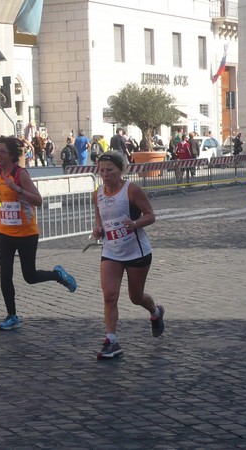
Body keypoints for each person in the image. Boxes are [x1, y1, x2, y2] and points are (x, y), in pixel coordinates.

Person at [0, 135, 77, 331]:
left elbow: (38, 201)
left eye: (1, 152)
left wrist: (18, 189)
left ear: (12, 154)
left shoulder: (20, 174)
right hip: (5, 231)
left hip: (26, 232)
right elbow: (0, 198)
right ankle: (12, 315)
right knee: (5, 276)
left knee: (30, 276)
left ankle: (57, 275)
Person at [92, 151, 164, 359]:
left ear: (121, 170)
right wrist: (98, 230)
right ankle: (111, 341)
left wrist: (134, 224)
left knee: (136, 297)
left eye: (110, 170)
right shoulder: (97, 193)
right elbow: (100, 219)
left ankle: (156, 312)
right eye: (102, 170)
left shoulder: (131, 190)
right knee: (110, 295)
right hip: (111, 251)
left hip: (136, 251)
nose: (105, 174)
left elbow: (150, 216)